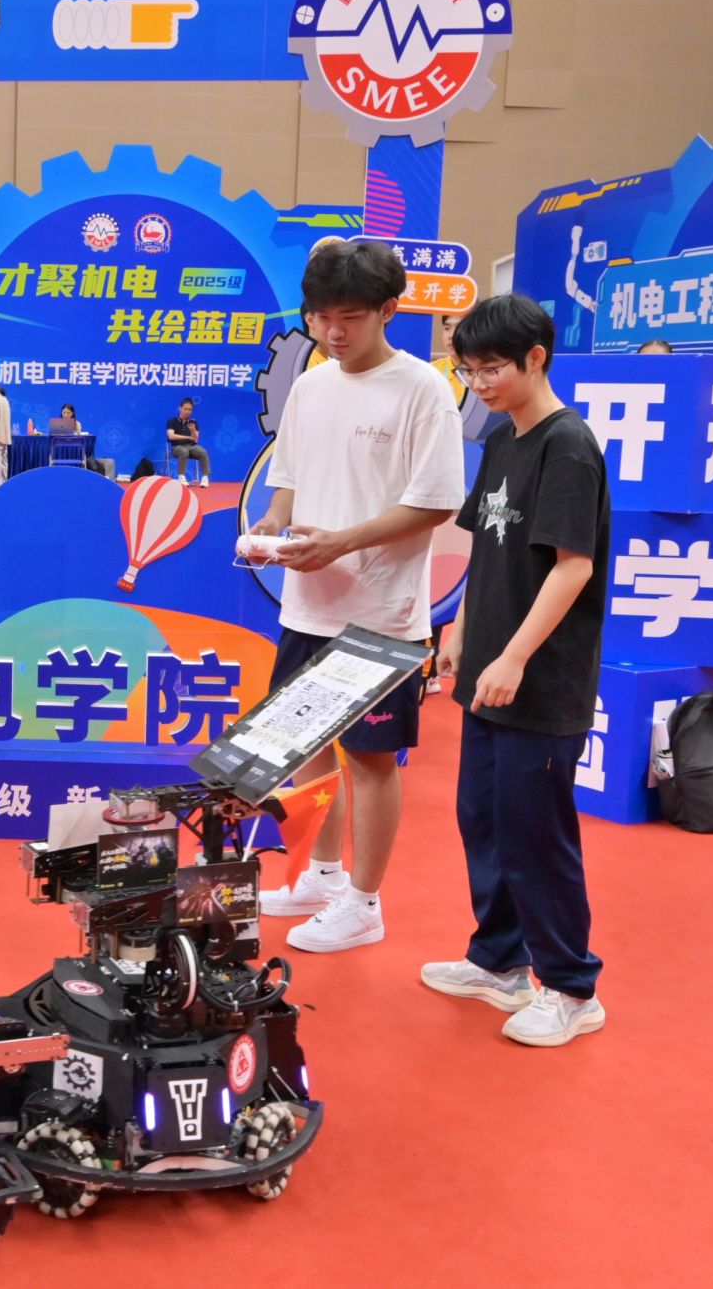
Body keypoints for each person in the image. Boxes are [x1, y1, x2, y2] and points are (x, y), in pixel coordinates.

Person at [244, 239, 465, 951]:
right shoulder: (311, 386)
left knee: (369, 761)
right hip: (307, 603)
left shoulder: (423, 389)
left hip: (381, 615)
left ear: (388, 310)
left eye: (350, 317)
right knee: (305, 748)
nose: (333, 332)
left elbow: (436, 502)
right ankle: (321, 875)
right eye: (320, 316)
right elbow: (288, 480)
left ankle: (365, 903)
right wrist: (271, 525)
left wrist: (341, 542)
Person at [426, 294, 610, 1047]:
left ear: (537, 357)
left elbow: (573, 567)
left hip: (540, 678)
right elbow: (484, 546)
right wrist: (463, 632)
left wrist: (514, 655)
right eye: (468, 371)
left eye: (491, 369)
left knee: (537, 834)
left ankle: (571, 987)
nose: (479, 384)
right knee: (484, 818)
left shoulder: (569, 446)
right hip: (489, 671)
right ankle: (499, 960)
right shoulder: (503, 437)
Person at [166, 398, 210, 485]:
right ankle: (181, 477)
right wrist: (189, 437)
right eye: (185, 409)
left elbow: (195, 438)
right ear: (180, 408)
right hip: (177, 447)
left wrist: (193, 429)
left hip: (191, 447)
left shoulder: (193, 422)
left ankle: (205, 477)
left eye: (190, 410)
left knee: (203, 452)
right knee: (184, 451)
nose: (187, 411)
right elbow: (171, 436)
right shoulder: (172, 421)